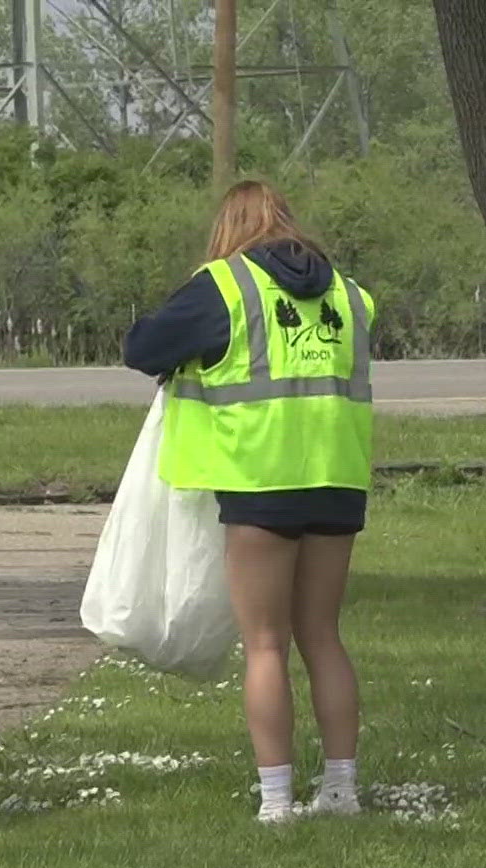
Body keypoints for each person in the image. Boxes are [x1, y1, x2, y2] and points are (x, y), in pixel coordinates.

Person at [122, 178, 374, 825]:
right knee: (324, 637)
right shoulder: (348, 294)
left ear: (228, 230)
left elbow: (143, 347)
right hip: (338, 480)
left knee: (266, 644)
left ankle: (276, 800)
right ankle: (342, 790)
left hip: (262, 484)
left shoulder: (225, 287)